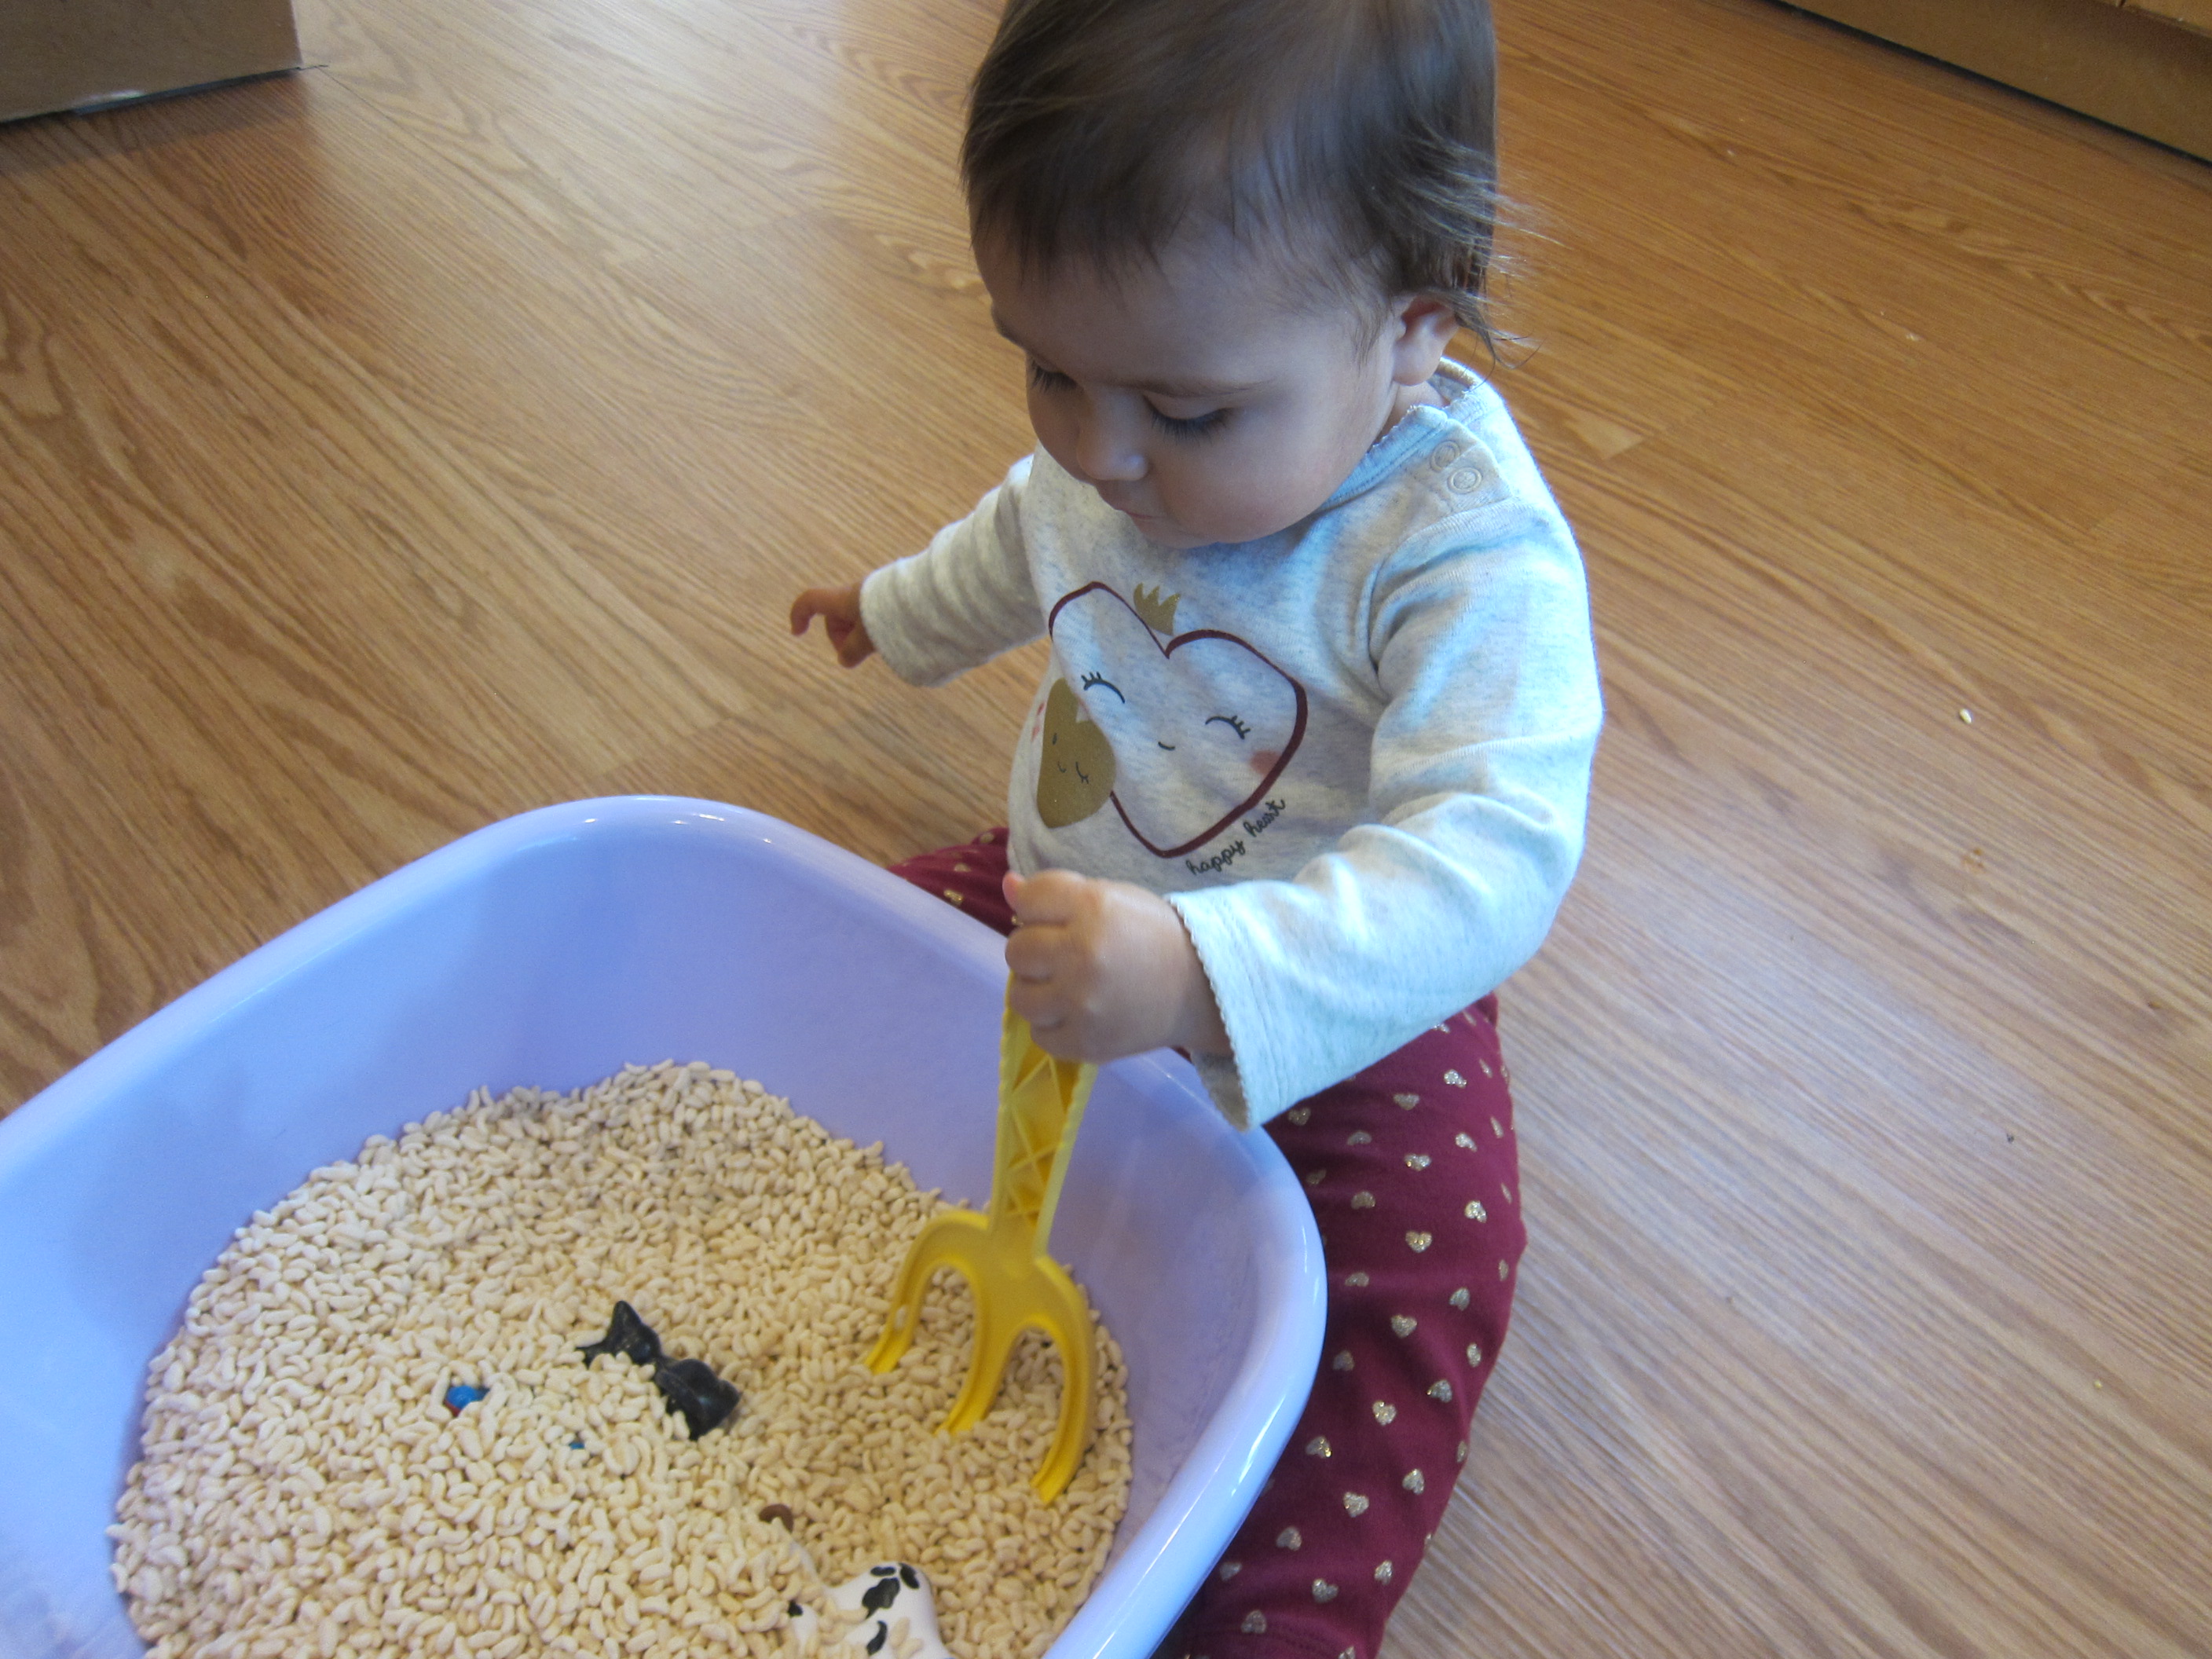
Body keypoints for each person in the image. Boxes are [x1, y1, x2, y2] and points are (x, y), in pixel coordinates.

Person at [791, 0, 1602, 1653]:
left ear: (1409, 337)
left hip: (1338, 996)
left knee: (1421, 1275)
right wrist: (897, 611)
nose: (1099, 448)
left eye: (1185, 410)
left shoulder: (1456, 554)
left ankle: (1271, 1619)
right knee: (833, 965)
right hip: (1067, 897)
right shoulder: (1125, 429)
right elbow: (1023, 535)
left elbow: (1493, 851)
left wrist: (1204, 975)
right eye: (1045, 367)